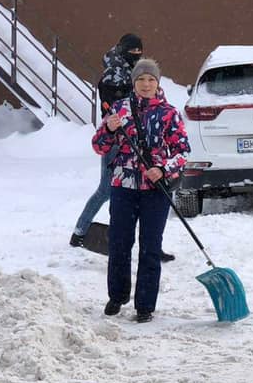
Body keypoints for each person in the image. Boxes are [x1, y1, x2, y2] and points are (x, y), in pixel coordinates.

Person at [91, 58, 190, 323]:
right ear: (134, 82)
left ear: (158, 82)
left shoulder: (169, 113)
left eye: (151, 80)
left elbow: (182, 152)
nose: (146, 84)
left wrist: (163, 169)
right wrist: (109, 129)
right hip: (122, 187)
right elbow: (99, 146)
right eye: (141, 80)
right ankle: (117, 296)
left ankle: (145, 305)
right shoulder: (119, 110)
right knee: (119, 244)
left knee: (150, 247)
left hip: (155, 190)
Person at [71, 34, 175, 262]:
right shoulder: (112, 76)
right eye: (132, 51)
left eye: (139, 51)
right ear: (122, 50)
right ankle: (80, 232)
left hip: (144, 141)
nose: (136, 55)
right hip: (118, 141)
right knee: (106, 190)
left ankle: (153, 244)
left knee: (153, 191)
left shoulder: (139, 72)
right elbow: (115, 110)